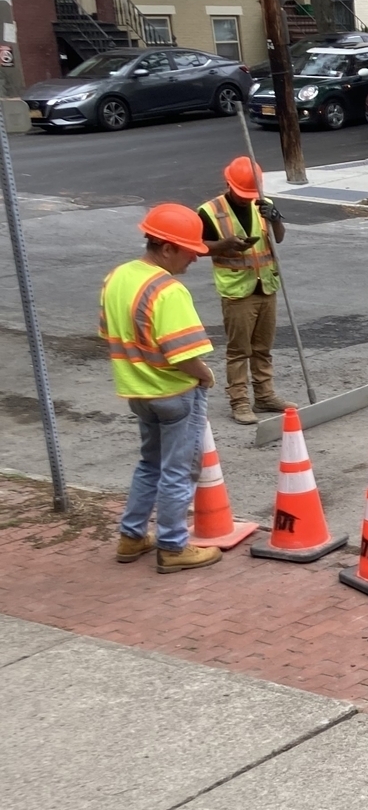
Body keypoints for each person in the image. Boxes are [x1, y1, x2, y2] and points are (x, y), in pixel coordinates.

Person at [101, 204, 221, 573]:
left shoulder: (117, 277)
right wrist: (205, 375)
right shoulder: (168, 290)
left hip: (137, 390)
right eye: (190, 251)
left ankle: (132, 536)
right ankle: (172, 546)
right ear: (167, 247)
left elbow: (109, 333)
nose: (195, 259)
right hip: (174, 393)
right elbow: (182, 353)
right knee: (178, 471)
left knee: (149, 464)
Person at [197, 156, 286, 425]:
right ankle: (239, 401)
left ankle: (265, 395)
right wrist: (224, 244)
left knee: (263, 347)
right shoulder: (209, 211)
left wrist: (276, 219)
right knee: (239, 350)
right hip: (237, 290)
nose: (246, 198)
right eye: (241, 192)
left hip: (266, 285)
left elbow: (278, 237)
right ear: (228, 183)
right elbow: (197, 247)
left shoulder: (264, 204)